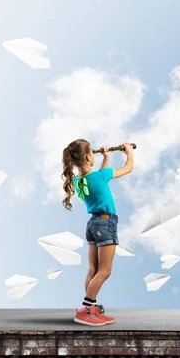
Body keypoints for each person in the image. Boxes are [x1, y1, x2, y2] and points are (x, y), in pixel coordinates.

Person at [61, 139, 134, 326]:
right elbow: (128, 168)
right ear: (88, 156)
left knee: (93, 270)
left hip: (92, 225)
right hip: (106, 223)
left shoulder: (78, 181)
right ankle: (85, 310)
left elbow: (100, 176)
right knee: (105, 271)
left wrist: (106, 156)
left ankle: (91, 308)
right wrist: (128, 152)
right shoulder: (101, 176)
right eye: (92, 154)